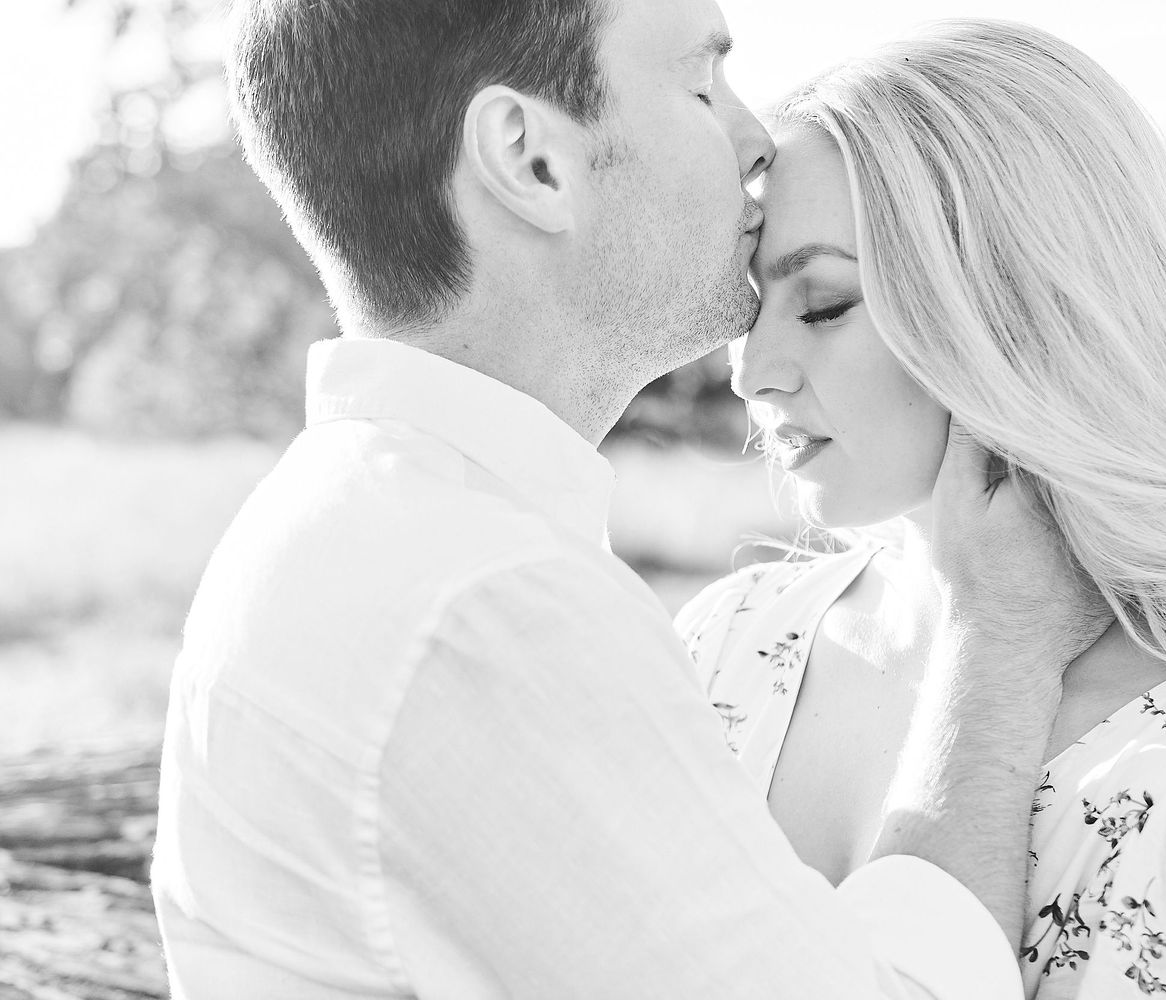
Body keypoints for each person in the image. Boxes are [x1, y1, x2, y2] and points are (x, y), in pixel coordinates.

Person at [150, 1, 1110, 996]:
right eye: (701, 84)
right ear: (532, 160)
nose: (754, 138)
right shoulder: (487, 605)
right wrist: (997, 648)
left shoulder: (358, 530)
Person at [677, 19, 1166, 1000]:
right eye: (753, 303)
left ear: (1017, 311)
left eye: (825, 303)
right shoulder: (721, 648)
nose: (751, 369)